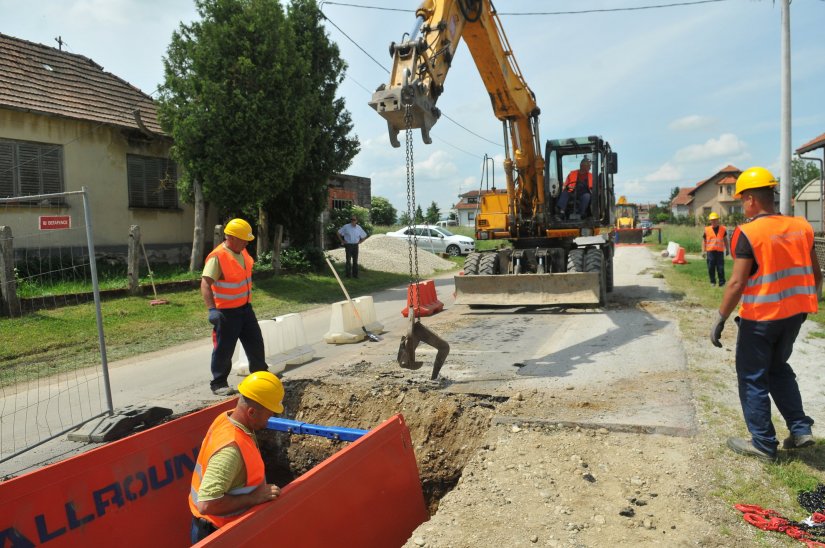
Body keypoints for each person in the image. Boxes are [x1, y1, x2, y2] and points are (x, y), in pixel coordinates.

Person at [710, 166, 822, 462]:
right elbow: (817, 276)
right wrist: (808, 305)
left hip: (760, 318)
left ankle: (762, 443)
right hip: (795, 316)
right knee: (778, 367)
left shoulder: (748, 233)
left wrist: (721, 318)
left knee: (752, 376)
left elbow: (736, 282)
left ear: (749, 200)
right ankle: (799, 428)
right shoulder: (801, 227)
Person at [189, 371, 285, 543]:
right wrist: (254, 498)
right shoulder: (230, 450)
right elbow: (206, 504)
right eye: (269, 414)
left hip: (222, 529)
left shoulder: (227, 418)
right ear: (251, 412)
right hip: (218, 535)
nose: (270, 419)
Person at [201, 218, 268, 396]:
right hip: (226, 313)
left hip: (245, 309)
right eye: (243, 239)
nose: (247, 242)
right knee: (224, 348)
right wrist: (212, 310)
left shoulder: (243, 252)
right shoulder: (217, 257)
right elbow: (205, 284)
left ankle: (261, 375)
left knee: (255, 343)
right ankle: (219, 382)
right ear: (231, 238)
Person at [702, 212, 728, 287]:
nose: (714, 221)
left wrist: (727, 249)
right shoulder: (707, 229)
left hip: (720, 252)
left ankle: (722, 282)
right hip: (710, 252)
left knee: (720, 268)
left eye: (715, 220)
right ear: (710, 221)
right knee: (711, 267)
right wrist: (703, 251)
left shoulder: (723, 229)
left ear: (718, 220)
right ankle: (712, 281)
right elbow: (704, 241)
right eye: (712, 220)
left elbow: (725, 240)